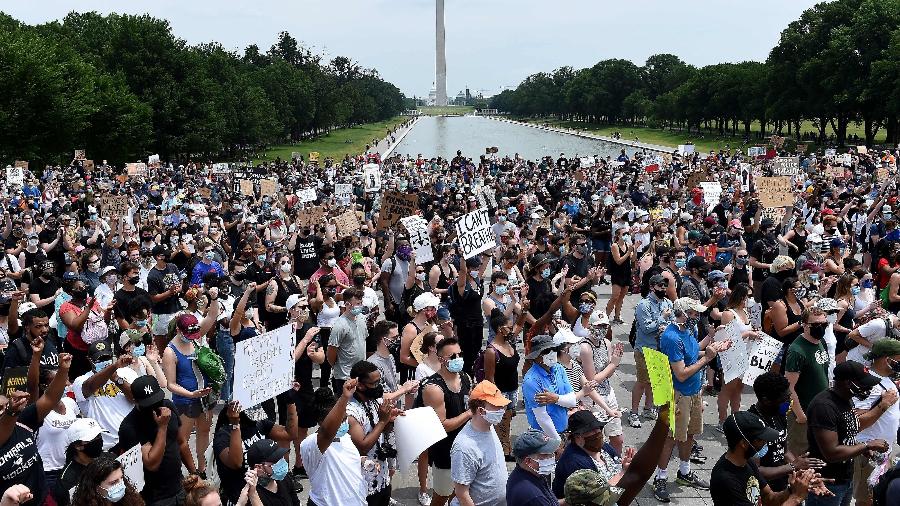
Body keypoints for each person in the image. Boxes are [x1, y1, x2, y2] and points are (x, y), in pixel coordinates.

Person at [653, 297, 730, 502]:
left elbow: (693, 352)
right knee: (671, 438)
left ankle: (685, 471)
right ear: (682, 313)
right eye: (694, 313)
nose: (697, 316)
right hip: (678, 395)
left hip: (694, 392)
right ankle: (660, 477)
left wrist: (713, 343)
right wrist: (708, 358)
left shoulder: (688, 330)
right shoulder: (671, 337)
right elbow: (681, 374)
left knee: (690, 434)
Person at [0, 351, 71, 506]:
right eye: (0, 408)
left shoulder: (21, 421)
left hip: (44, 499)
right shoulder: (11, 417)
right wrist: (10, 412)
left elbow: (50, 398)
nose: (4, 409)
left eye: (5, 405)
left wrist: (63, 370)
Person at [117, 375, 198, 506]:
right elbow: (151, 464)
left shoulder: (168, 406)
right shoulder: (130, 427)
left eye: (157, 400)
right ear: (135, 401)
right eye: (148, 404)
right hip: (155, 498)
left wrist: (194, 473)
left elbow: (181, 442)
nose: (155, 406)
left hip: (179, 487)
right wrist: (162, 427)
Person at [709, 411, 817, 506]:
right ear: (744, 443)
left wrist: (793, 488)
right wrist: (796, 498)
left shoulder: (748, 462)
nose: (765, 443)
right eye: (760, 440)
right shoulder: (726, 481)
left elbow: (770, 498)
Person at [162, 311, 219, 478]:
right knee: (182, 440)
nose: (192, 338)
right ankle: (187, 474)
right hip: (185, 401)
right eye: (188, 335)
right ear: (178, 331)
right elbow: (170, 384)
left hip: (204, 396)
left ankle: (202, 469)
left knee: (204, 431)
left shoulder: (195, 339)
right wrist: (191, 394)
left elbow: (212, 316)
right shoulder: (170, 352)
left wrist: (213, 299)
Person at [748, 372, 825, 493]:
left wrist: (802, 473)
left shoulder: (779, 414)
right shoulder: (751, 424)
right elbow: (756, 470)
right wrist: (793, 466)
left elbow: (784, 451)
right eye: (785, 399)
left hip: (782, 485)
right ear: (766, 400)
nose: (790, 401)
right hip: (763, 491)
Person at [420, 338, 472, 506]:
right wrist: (469, 413)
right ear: (441, 359)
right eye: (453, 356)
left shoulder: (465, 377)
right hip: (445, 451)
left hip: (465, 447)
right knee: (442, 495)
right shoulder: (433, 388)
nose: (458, 359)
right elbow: (442, 425)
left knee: (460, 493)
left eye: (460, 354)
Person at [298, 381, 367, 506]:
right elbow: (326, 433)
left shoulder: (345, 437)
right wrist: (344, 397)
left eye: (344, 418)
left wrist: (362, 461)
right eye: (338, 421)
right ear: (321, 421)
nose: (344, 423)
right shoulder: (310, 444)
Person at [346, 360, 403, 505]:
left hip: (382, 476)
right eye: (374, 383)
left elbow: (381, 431)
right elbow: (363, 447)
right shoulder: (351, 412)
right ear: (360, 385)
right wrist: (383, 421)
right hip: (363, 483)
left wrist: (389, 420)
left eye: (379, 381)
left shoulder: (373, 401)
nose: (379, 386)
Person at [851, 339, 900, 506]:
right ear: (887, 359)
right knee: (866, 500)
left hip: (884, 453)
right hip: (869, 454)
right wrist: (883, 405)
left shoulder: (886, 380)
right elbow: (855, 422)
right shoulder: (868, 384)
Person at [450, 380, 509, 506]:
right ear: (481, 411)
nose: (502, 409)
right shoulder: (464, 447)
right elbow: (461, 493)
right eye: (497, 406)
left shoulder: (490, 425)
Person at [784, 306, 831, 458]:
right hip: (803, 411)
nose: (821, 328)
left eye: (824, 324)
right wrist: (800, 415)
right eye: (816, 324)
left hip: (819, 410)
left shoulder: (821, 341)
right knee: (799, 455)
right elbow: (789, 387)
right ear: (804, 325)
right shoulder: (797, 351)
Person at [73, 342, 136, 451]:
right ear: (90, 360)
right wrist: (113, 367)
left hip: (132, 437)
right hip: (107, 445)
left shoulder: (127, 372)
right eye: (100, 360)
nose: (104, 362)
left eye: (107, 358)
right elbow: (89, 387)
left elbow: (136, 398)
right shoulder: (81, 380)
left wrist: (116, 378)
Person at [629, 273, 673, 428]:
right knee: (642, 381)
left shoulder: (668, 302)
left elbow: (672, 322)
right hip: (644, 349)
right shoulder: (644, 305)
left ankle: (648, 408)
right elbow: (646, 328)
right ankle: (634, 412)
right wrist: (662, 318)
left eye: (665, 285)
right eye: (660, 285)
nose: (664, 288)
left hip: (660, 349)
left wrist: (666, 325)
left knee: (653, 381)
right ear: (652, 287)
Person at [54, 417, 108, 506]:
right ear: (78, 446)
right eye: (92, 439)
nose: (98, 441)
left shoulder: (107, 458)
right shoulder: (67, 481)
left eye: (99, 436)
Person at [325, 287, 368, 393]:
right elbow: (330, 354)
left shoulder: (361, 318)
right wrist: (339, 367)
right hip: (345, 377)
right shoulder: (339, 325)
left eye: (361, 303)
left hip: (361, 374)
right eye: (357, 304)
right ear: (347, 304)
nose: (360, 306)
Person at [504, 428, 560, 505]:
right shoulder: (534, 497)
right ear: (528, 461)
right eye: (546, 454)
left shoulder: (528, 474)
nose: (552, 456)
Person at [245, 438, 300, 506]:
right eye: (276, 461)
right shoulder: (251, 497)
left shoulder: (285, 478)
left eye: (281, 457)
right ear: (259, 467)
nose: (282, 462)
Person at [70, 456, 143, 506]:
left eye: (121, 478)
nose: (121, 485)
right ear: (96, 487)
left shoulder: (130, 499)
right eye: (113, 482)